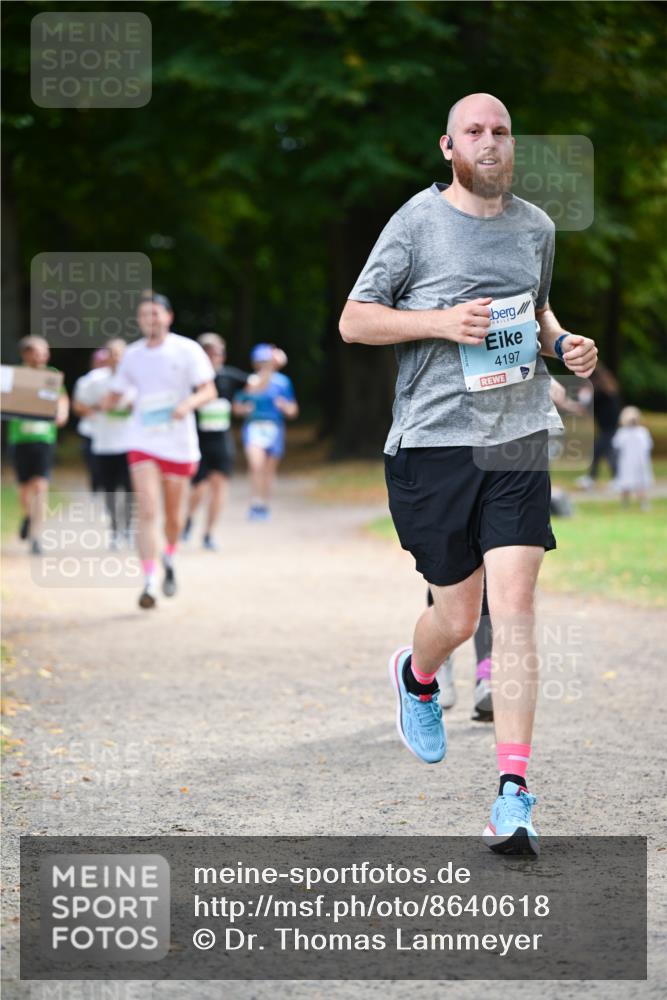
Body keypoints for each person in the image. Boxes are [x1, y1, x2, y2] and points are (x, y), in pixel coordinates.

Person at [340, 92, 598, 855]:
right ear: (448, 147)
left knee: (512, 606)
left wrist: (563, 344)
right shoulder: (416, 222)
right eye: (474, 132)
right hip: (431, 444)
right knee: (456, 617)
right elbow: (356, 320)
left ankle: (512, 793)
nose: (490, 142)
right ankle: (419, 675)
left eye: (501, 131)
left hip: (516, 433)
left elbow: (539, 309)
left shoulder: (536, 227)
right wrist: (436, 323)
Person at [102, 294, 216, 608]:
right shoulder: (132, 355)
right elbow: (115, 395)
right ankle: (149, 581)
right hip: (142, 441)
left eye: (154, 314)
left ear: (168, 316)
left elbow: (209, 390)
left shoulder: (187, 349)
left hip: (178, 443)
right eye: (143, 315)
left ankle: (169, 556)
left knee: (173, 519)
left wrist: (186, 405)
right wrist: (105, 399)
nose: (149, 320)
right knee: (148, 509)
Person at [182, 333, 250, 550]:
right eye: (210, 353)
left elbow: (255, 385)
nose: (215, 357)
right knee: (199, 488)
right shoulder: (190, 379)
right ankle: (188, 519)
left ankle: (209, 534)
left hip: (221, 440)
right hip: (196, 441)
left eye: (219, 353)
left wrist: (269, 368)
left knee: (219, 487)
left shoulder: (228, 376)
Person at [8, 336, 69, 555]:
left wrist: (62, 412)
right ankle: (29, 516)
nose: (42, 356)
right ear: (26, 354)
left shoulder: (51, 376)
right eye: (37, 352)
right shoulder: (15, 376)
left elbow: (62, 400)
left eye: (45, 352)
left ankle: (36, 535)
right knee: (24, 489)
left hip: (44, 439)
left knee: (41, 486)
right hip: (20, 439)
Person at [73, 339, 135, 548]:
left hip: (130, 444)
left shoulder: (136, 380)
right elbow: (79, 405)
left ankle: (127, 528)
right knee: (109, 490)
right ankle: (115, 530)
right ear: (105, 356)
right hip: (104, 443)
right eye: (113, 353)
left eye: (121, 353)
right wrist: (97, 411)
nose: (117, 358)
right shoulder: (94, 381)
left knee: (129, 489)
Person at [232, 344, 298, 521]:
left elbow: (293, 410)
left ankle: (264, 504)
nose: (263, 365)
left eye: (266, 361)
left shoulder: (282, 382)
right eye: (260, 362)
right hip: (254, 427)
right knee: (256, 466)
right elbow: (237, 406)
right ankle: (255, 503)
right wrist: (244, 409)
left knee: (268, 470)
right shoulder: (252, 381)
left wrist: (284, 406)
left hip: (274, 428)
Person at [575, 363, 620, 489]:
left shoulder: (598, 390)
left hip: (608, 427)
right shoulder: (606, 386)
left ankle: (593, 478)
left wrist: (583, 397)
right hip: (610, 426)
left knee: (600, 451)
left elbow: (587, 405)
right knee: (606, 451)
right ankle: (614, 477)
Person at [72, 347, 109, 494]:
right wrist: (97, 409)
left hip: (112, 434)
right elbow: (77, 406)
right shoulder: (86, 381)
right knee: (95, 469)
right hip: (91, 432)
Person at [612, 406, 653, 509]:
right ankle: (626, 504)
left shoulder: (641, 432)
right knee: (626, 485)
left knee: (640, 485)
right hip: (628, 462)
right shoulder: (624, 432)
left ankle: (642, 503)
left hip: (638, 462)